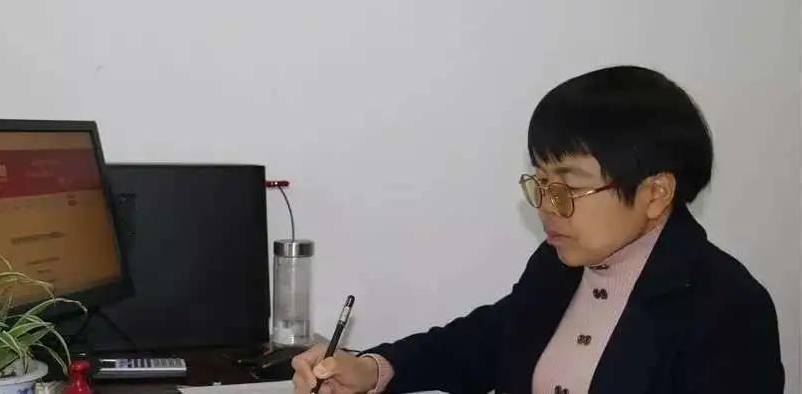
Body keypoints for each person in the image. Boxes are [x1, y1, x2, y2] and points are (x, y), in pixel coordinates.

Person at [291, 65, 784, 394]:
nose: (548, 206)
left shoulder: (727, 308)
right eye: (542, 183)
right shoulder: (559, 263)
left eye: (569, 186)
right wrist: (371, 370)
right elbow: (486, 340)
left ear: (656, 193)